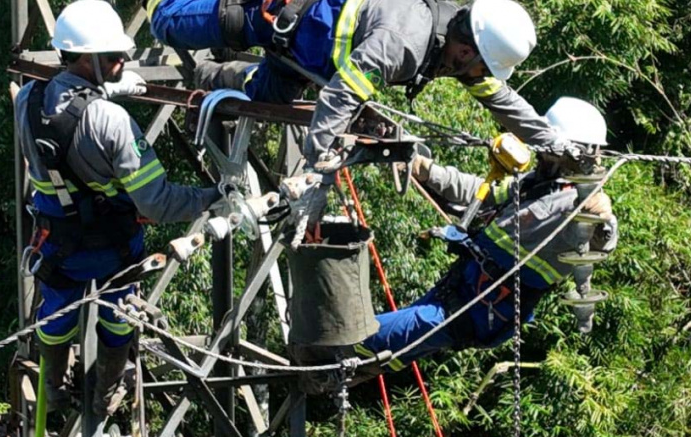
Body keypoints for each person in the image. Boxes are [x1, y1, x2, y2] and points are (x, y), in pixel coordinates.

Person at [15, 0, 223, 417]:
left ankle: (53, 388)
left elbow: (67, 112)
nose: (124, 61)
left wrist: (107, 89)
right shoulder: (112, 122)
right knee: (119, 315)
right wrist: (214, 196)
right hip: (111, 246)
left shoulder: (27, 98)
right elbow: (158, 203)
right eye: (113, 56)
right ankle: (106, 389)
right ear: (88, 58)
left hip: (56, 244)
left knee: (56, 315)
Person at [352, 97, 618, 371]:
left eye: (546, 144)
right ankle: (342, 373)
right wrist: (425, 170)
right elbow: (481, 192)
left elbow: (602, 244)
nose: (539, 149)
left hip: (481, 311)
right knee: (386, 352)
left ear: (572, 151)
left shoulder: (578, 204)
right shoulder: (536, 184)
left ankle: (333, 357)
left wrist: (603, 223)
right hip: (459, 290)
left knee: (363, 337)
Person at [146, 0, 571, 168]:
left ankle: (210, 74)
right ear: (466, 52)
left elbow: (503, 101)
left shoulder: (454, 48)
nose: (482, 79)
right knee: (166, 23)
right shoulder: (403, 45)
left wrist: (555, 143)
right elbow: (342, 94)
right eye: (483, 68)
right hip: (278, 18)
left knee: (262, 97)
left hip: (303, 58)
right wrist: (318, 156)